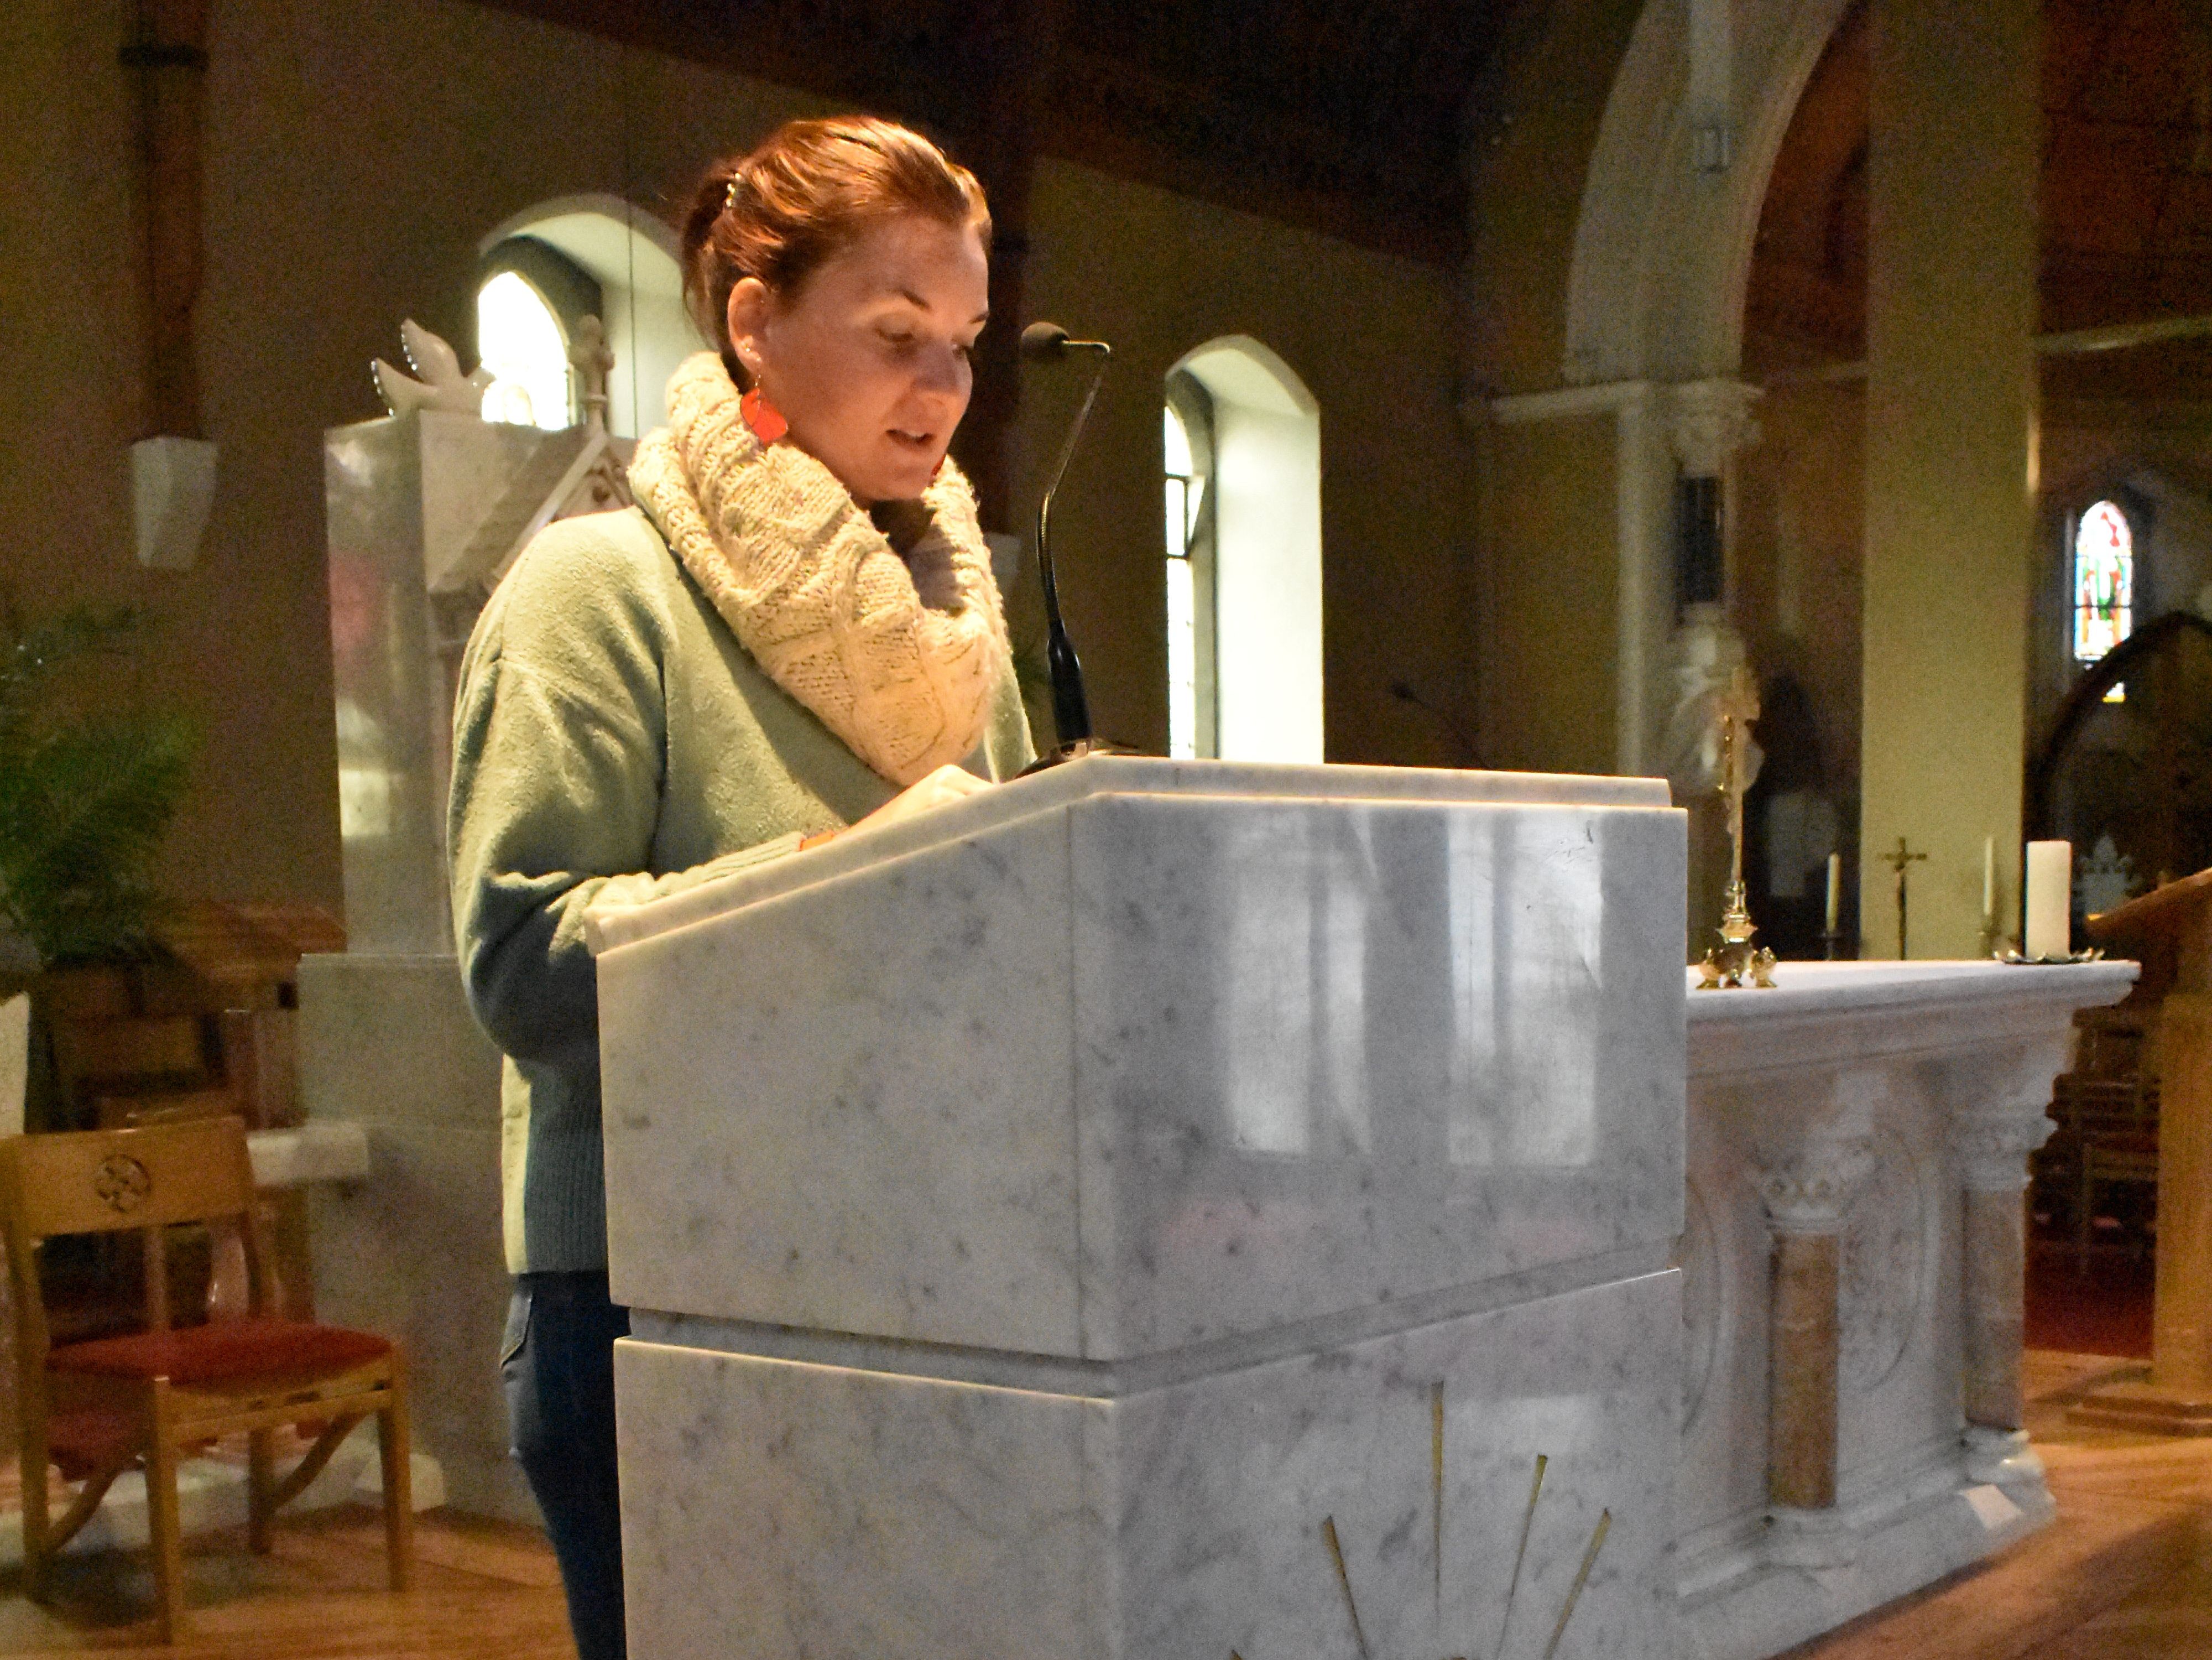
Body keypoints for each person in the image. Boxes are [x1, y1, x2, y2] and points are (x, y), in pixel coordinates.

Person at [446, 116, 1032, 1660]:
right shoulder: (599, 588)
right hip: (656, 1298)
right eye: (897, 334)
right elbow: (522, 961)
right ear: (755, 322)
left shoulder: (951, 633)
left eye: (965, 344)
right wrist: (845, 877)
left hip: (926, 1271)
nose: (943, 388)